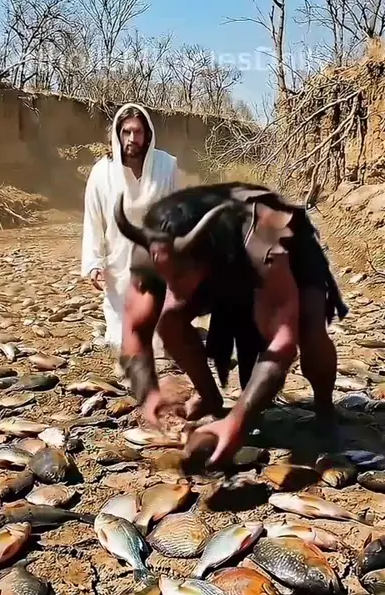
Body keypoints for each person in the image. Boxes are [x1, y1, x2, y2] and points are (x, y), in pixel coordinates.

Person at [114, 182, 348, 466]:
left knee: (311, 329)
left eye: (180, 275)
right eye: (166, 278)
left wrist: (238, 421)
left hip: (287, 252)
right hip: (217, 264)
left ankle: (325, 409)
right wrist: (149, 395)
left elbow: (282, 344)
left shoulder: (262, 235)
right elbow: (135, 330)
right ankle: (210, 398)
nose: (172, 290)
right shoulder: (150, 250)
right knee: (170, 319)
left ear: (202, 260)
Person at [81, 102, 181, 355]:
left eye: (138, 132)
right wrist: (93, 263)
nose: (132, 138)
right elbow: (93, 221)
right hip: (119, 265)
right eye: (126, 132)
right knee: (123, 341)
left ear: (148, 135)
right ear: (118, 133)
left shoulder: (166, 166)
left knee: (158, 344)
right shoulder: (102, 172)